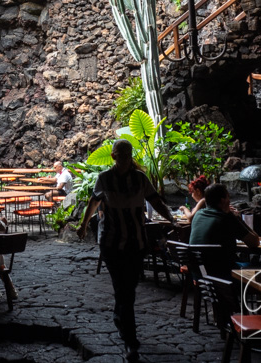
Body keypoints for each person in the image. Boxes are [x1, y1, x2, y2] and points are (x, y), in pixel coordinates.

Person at [76, 139, 178, 362]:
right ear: (113, 156)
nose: (124, 158)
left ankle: (119, 317)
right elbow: (94, 202)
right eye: (121, 154)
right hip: (112, 244)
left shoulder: (140, 179)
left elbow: (155, 200)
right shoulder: (104, 178)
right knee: (124, 290)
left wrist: (170, 217)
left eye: (128, 154)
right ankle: (131, 343)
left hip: (136, 244)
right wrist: (83, 225)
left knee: (127, 289)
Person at [188, 183, 259, 279]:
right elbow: (255, 242)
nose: (230, 201)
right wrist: (238, 219)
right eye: (228, 198)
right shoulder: (226, 218)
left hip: (199, 273)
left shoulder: (198, 215)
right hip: (224, 274)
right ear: (223, 200)